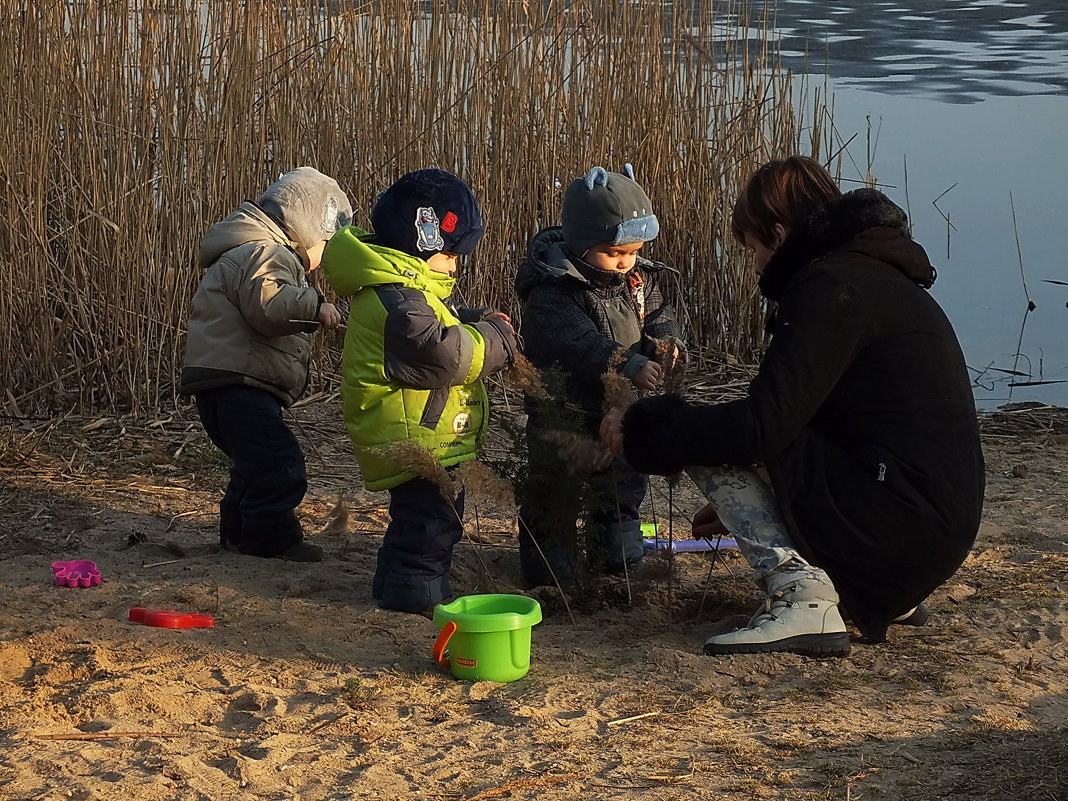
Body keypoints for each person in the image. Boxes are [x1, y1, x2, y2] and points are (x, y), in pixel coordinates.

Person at [602, 155, 985, 656]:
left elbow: (759, 429)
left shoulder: (831, 289)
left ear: (779, 236)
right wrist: (769, 502)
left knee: (688, 430)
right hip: (930, 533)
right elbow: (823, 420)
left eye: (754, 247)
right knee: (713, 429)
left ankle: (804, 600)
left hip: (901, 532)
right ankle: (877, 592)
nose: (756, 264)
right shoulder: (875, 277)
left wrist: (642, 428)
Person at [322, 168, 517, 615]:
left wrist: (474, 315)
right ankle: (416, 595)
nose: (455, 266)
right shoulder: (397, 299)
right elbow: (443, 356)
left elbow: (436, 319)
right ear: (423, 245)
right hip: (415, 435)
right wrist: (498, 339)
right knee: (432, 524)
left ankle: (394, 587)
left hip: (418, 429)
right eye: (450, 256)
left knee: (419, 520)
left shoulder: (401, 290)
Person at [515, 164, 684, 587]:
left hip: (618, 412)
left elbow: (659, 316)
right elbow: (578, 343)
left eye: (634, 250)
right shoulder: (552, 293)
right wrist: (628, 363)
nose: (626, 262)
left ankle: (618, 561)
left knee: (622, 489)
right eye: (615, 253)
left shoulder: (637, 279)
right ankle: (550, 576)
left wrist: (667, 344)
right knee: (555, 494)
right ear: (581, 243)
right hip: (566, 413)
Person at [180, 166, 352, 562]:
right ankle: (271, 537)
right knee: (279, 462)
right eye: (325, 245)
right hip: (239, 382)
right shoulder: (265, 252)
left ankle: (238, 532)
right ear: (307, 228)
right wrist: (314, 305)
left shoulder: (251, 251)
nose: (321, 259)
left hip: (225, 383)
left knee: (253, 464)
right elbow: (270, 307)